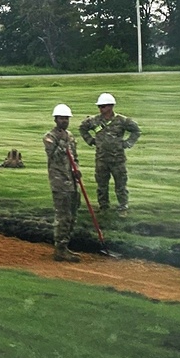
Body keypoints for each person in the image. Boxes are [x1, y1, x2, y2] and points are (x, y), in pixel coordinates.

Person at [79, 92, 141, 214]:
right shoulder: (94, 121)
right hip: (101, 159)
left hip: (118, 159)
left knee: (121, 185)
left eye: (103, 106)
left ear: (111, 106)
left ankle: (123, 207)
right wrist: (90, 140)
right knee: (102, 186)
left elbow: (136, 131)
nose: (101, 109)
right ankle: (104, 208)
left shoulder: (122, 121)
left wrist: (127, 143)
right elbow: (82, 128)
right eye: (99, 107)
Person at [43, 103, 81, 262]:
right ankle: (60, 248)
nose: (64, 121)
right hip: (59, 181)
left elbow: (74, 156)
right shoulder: (49, 137)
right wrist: (63, 141)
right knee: (63, 215)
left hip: (72, 181)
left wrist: (77, 169)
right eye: (61, 118)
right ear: (56, 119)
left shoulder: (70, 136)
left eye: (67, 118)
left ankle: (66, 245)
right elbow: (54, 155)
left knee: (73, 214)